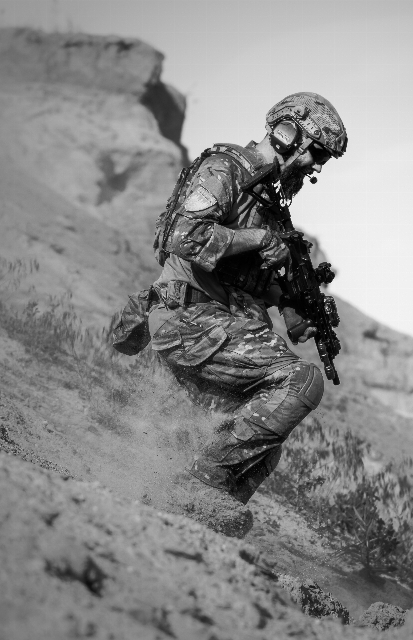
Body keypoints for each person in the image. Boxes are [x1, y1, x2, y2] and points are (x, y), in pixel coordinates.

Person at [148, 92, 347, 537]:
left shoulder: (270, 206)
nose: (316, 167)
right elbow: (185, 236)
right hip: (186, 319)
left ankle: (198, 525)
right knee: (303, 381)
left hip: (219, 330)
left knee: (264, 441)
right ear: (287, 133)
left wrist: (293, 309)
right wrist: (258, 239)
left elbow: (252, 287)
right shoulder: (227, 169)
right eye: (316, 153)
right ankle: (196, 490)